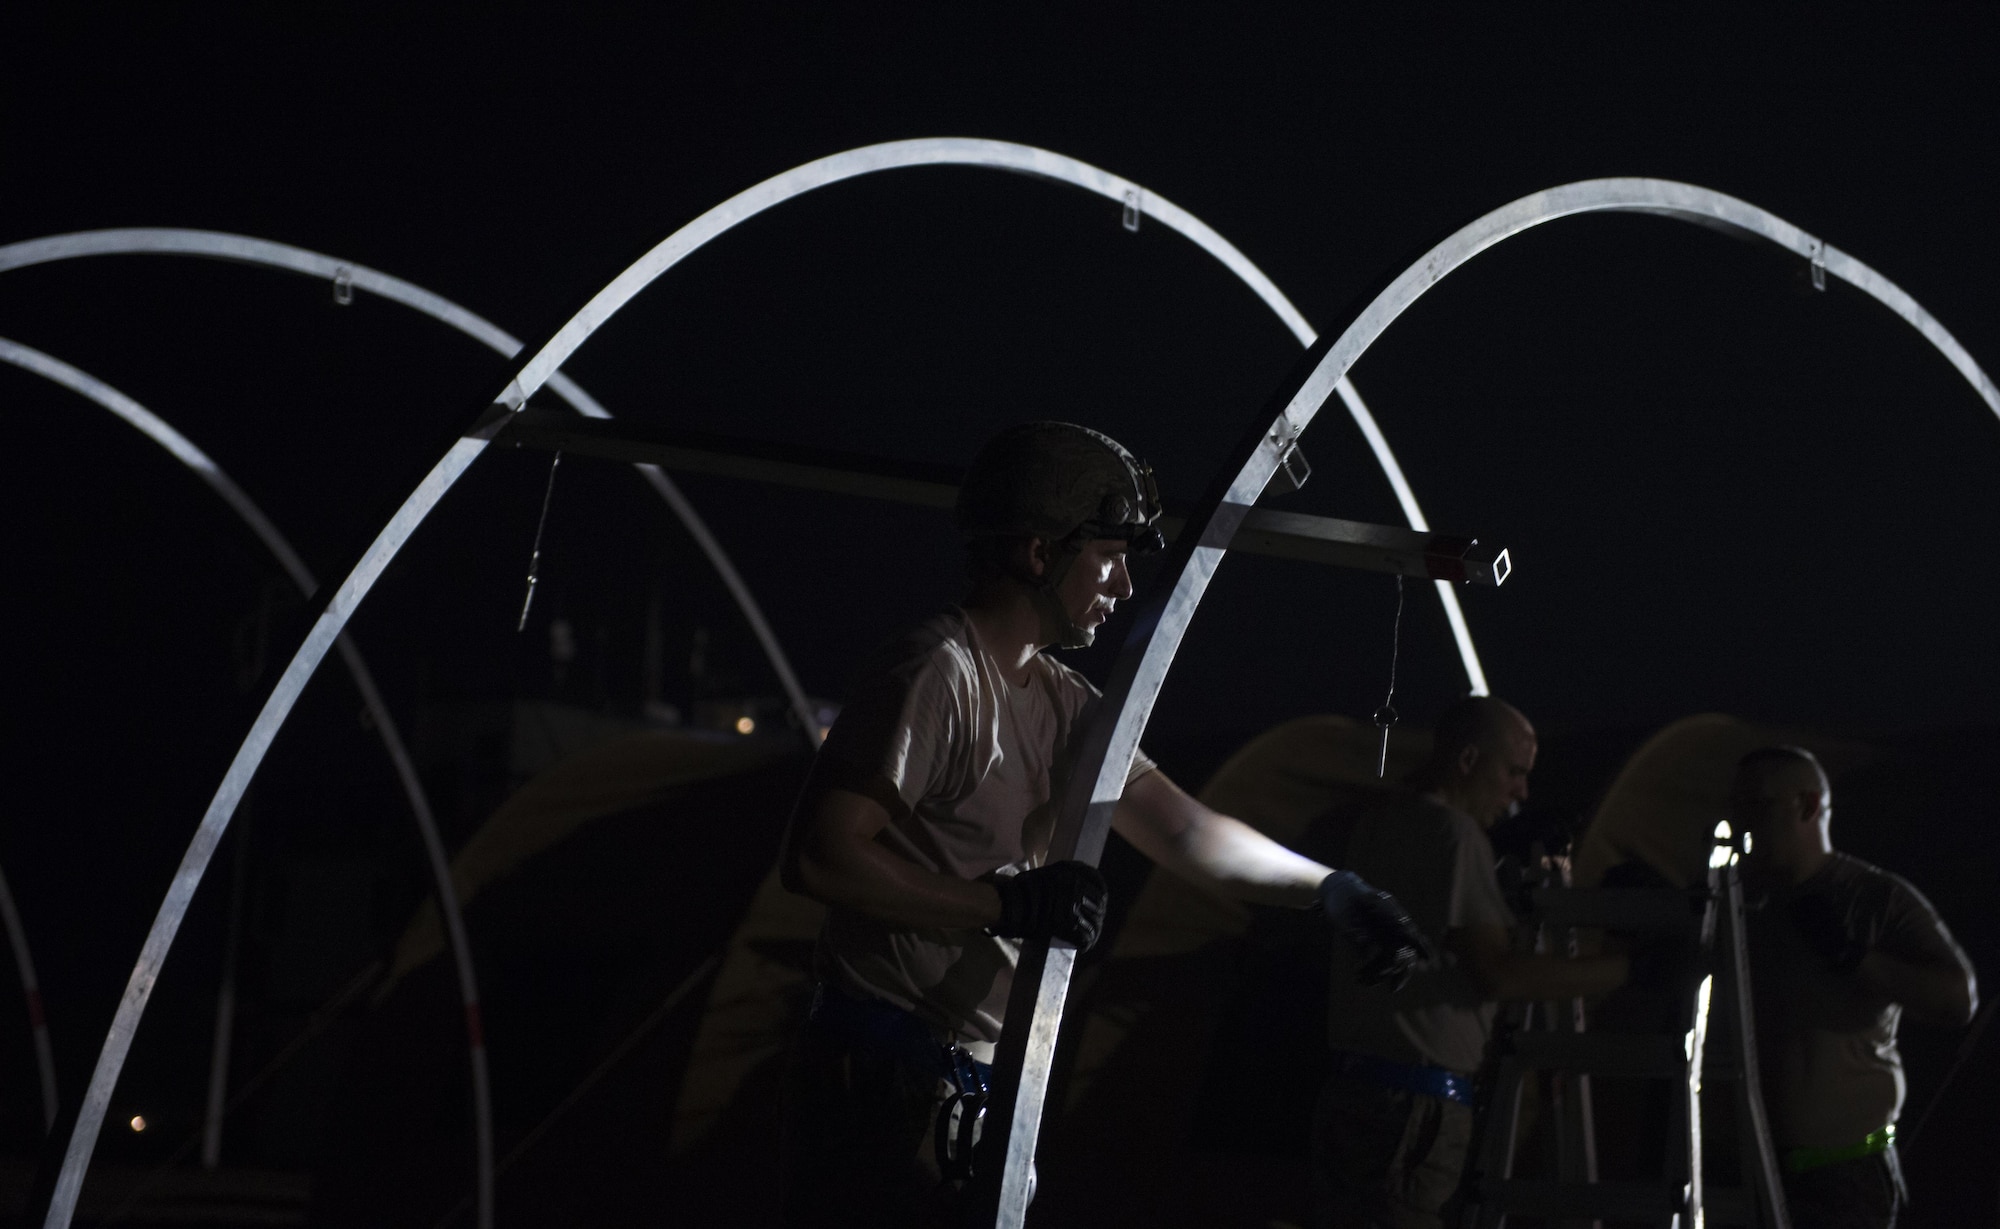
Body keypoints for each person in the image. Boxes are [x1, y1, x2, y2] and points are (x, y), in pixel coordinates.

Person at [775, 421, 1428, 1228]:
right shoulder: (938, 672)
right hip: (880, 1078)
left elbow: (1186, 832)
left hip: (970, 1086)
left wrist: (1331, 889)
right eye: (1110, 554)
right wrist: (1007, 907)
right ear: (1040, 553)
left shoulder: (1063, 701)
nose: (1122, 585)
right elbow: (822, 855)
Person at [1315, 697, 1630, 1229]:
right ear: (1467, 761)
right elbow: (1496, 972)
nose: (1521, 792)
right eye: (1514, 772)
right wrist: (1629, 969)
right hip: (1416, 1108)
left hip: (1355, 1090)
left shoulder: (1375, 823)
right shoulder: (1455, 836)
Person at [1733, 746, 1977, 1229]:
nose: (1743, 824)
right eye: (1737, 809)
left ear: (1806, 806)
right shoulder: (1740, 901)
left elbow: (1958, 999)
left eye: (1757, 808)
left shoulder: (1874, 898)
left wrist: (1855, 959)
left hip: (1844, 1177)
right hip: (1747, 1173)